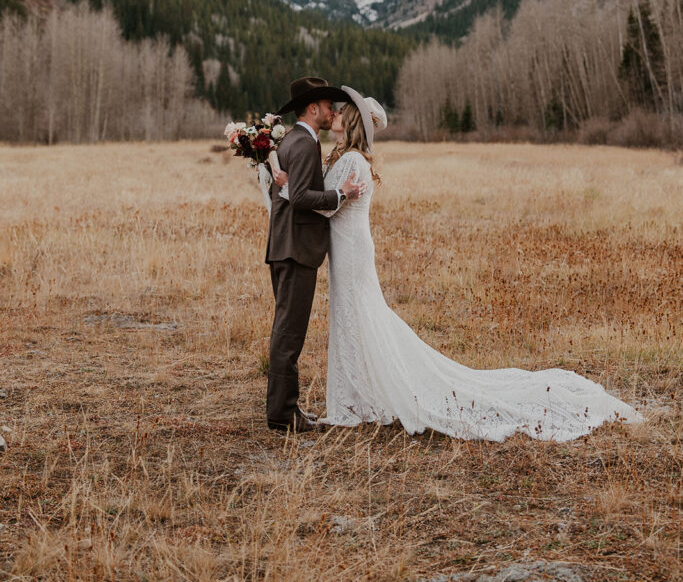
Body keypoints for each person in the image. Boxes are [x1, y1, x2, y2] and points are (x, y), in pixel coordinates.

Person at [273, 86, 643, 441]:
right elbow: (320, 194)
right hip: (344, 249)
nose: (334, 113)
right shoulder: (341, 155)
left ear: (351, 120)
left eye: (340, 111)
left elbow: (324, 204)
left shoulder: (353, 160)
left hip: (352, 251)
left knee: (360, 317)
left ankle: (363, 399)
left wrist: (290, 187)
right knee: (351, 319)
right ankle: (357, 396)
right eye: (331, 109)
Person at [265, 76, 365, 433]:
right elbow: (303, 197)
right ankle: (283, 414)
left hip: (285, 246)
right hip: (296, 249)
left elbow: (288, 189)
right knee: (289, 335)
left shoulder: (290, 141)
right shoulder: (305, 144)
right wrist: (341, 195)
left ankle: (285, 409)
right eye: (327, 105)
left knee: (286, 331)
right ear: (313, 108)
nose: (331, 111)